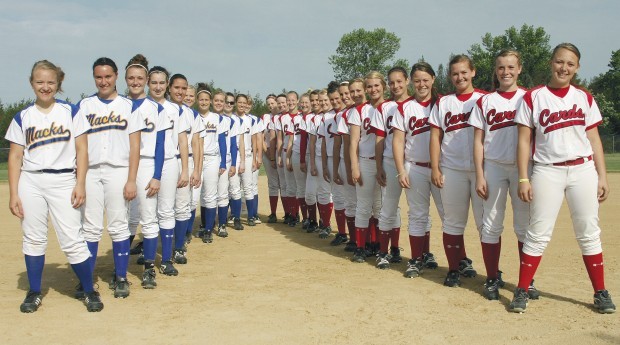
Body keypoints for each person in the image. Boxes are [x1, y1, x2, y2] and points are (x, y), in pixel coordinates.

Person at [510, 43, 615, 314]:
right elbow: (523, 141)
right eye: (559, 62)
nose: (564, 68)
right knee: (538, 232)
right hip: (547, 169)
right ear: (551, 62)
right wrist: (524, 178)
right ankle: (522, 289)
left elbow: (594, 139)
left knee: (589, 232)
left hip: (583, 170)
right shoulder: (534, 97)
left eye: (570, 64)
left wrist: (602, 176)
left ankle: (600, 292)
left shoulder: (584, 97)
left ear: (577, 68)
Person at [6, 60, 103, 312]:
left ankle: (88, 289)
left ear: (58, 84)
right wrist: (14, 193)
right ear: (31, 83)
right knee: (34, 237)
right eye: (40, 82)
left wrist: (80, 183)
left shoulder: (70, 111)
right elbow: (15, 156)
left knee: (72, 238)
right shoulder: (23, 116)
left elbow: (82, 151)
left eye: (50, 82)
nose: (45, 87)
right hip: (31, 181)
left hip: (63, 179)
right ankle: (34, 291)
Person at [469, 50, 537, 300]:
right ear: (495, 71)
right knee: (491, 223)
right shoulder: (486, 101)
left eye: (510, 67)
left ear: (519, 68)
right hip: (494, 166)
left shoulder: (529, 98)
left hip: (523, 168)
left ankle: (526, 280)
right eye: (501, 68)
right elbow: (478, 141)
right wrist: (480, 174)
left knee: (524, 226)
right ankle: (491, 278)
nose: (505, 72)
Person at [77, 57, 144, 299]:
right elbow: (79, 145)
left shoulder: (128, 106)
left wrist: (131, 179)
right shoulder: (84, 106)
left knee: (118, 226)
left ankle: (121, 276)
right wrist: (80, 180)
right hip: (92, 171)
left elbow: (135, 147)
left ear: (116, 76)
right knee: (90, 228)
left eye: (108, 76)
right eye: (98, 77)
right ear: (94, 78)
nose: (103, 81)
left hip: (118, 171)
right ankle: (87, 279)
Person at [429, 54, 487, 287]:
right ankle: (454, 269)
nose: (459, 77)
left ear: (473, 72)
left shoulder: (485, 98)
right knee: (453, 222)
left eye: (464, 72)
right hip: (452, 168)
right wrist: (435, 167)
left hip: (481, 170)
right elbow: (435, 136)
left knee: (487, 224)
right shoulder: (444, 102)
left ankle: (491, 273)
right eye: (455, 73)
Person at [393, 62, 444, 278]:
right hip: (415, 167)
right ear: (411, 83)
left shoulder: (443, 103)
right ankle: (416, 259)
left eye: (425, 79)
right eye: (417, 81)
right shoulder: (405, 107)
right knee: (417, 215)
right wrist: (401, 170)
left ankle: (459, 260)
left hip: (442, 168)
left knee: (449, 216)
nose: (421, 84)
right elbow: (397, 140)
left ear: (433, 79)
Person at [124, 56, 171, 289]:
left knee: (149, 218)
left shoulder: (156, 108)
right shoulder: (120, 106)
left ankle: (149, 268)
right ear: (125, 79)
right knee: (124, 219)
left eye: (140, 78)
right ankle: (120, 270)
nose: (135, 82)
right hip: (120, 165)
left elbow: (161, 144)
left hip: (146, 163)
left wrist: (157, 175)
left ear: (146, 81)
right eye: (131, 78)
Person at [144, 66, 190, 279]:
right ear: (147, 83)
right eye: (154, 82)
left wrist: (185, 169)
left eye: (162, 82)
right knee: (147, 213)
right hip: (146, 163)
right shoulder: (140, 107)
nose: (158, 86)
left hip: (170, 163)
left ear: (167, 85)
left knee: (166, 210)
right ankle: (148, 258)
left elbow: (182, 140)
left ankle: (167, 259)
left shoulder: (175, 109)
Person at [370, 66, 413, 268]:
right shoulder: (384, 108)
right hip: (389, 161)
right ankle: (384, 251)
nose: (396, 86)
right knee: (388, 208)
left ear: (407, 81)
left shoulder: (419, 104)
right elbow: (379, 139)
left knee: (418, 211)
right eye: (392, 82)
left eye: (399, 81)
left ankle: (422, 253)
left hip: (413, 163)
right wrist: (379, 166)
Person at [168, 73, 205, 267]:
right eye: (177, 88)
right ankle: (163, 247)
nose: (181, 92)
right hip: (166, 161)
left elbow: (197, 144)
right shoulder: (162, 109)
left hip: (187, 162)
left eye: (184, 89)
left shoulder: (192, 114)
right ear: (169, 88)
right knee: (163, 208)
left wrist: (197, 170)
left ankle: (179, 246)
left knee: (183, 206)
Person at [349, 73, 385, 263]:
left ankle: (379, 245)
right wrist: (355, 167)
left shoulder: (392, 107)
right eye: (369, 86)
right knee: (363, 206)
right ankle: (361, 247)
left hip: (386, 162)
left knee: (381, 207)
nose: (373, 90)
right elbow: (354, 141)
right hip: (365, 161)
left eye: (376, 86)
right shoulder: (359, 111)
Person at [196, 84, 227, 243]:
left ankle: (208, 228)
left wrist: (223, 162)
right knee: (197, 195)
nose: (203, 102)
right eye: (201, 99)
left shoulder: (217, 118)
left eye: (206, 99)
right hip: (196, 158)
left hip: (212, 158)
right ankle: (200, 226)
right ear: (197, 100)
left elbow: (222, 141)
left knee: (210, 194)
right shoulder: (193, 115)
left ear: (210, 101)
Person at [318, 83, 345, 243]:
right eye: (332, 99)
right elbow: (323, 142)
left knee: (351, 200)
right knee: (338, 197)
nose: (335, 102)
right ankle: (342, 232)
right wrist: (324, 164)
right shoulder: (326, 117)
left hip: (345, 159)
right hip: (330, 158)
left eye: (337, 98)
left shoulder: (347, 113)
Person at [334, 81, 358, 251]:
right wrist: (346, 168)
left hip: (366, 161)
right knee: (351, 202)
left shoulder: (369, 109)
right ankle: (354, 239)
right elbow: (342, 145)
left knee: (371, 205)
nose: (345, 96)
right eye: (342, 94)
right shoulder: (342, 115)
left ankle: (372, 241)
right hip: (348, 162)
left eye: (347, 93)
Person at [287, 93, 310, 229]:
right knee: (300, 188)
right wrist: (288, 158)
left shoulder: (315, 117)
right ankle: (305, 217)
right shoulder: (295, 119)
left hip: (312, 155)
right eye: (302, 102)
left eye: (307, 102)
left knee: (313, 189)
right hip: (297, 154)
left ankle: (317, 219)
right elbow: (290, 141)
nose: (304, 104)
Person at [236, 94, 258, 226]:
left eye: (244, 103)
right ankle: (235, 214)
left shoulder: (251, 120)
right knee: (234, 188)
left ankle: (251, 216)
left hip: (248, 156)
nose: (242, 105)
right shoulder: (231, 119)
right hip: (235, 156)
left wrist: (255, 158)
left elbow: (255, 141)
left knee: (248, 186)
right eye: (240, 102)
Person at [226, 92, 244, 230]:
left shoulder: (237, 120)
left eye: (232, 102)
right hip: (217, 158)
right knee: (219, 191)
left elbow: (241, 143)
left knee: (235, 188)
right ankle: (220, 218)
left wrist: (242, 161)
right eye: (227, 101)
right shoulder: (216, 118)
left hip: (234, 157)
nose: (228, 104)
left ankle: (236, 217)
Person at [262, 94, 281, 223]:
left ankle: (291, 213)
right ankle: (273, 213)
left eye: (273, 103)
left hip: (281, 153)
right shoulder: (265, 117)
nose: (271, 106)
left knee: (286, 185)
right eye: (268, 104)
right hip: (268, 152)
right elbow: (261, 138)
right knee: (273, 184)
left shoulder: (283, 116)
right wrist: (268, 154)